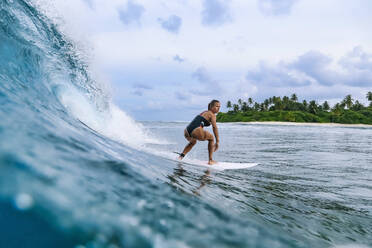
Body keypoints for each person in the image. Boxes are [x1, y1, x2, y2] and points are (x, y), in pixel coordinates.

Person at [178, 100, 221, 165]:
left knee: (193, 142)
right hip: (196, 130)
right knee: (211, 138)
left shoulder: (205, 112)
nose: (218, 108)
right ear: (212, 107)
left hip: (187, 130)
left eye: (219, 107)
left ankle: (181, 157)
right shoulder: (212, 115)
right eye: (217, 106)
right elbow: (214, 127)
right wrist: (217, 141)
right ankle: (210, 160)